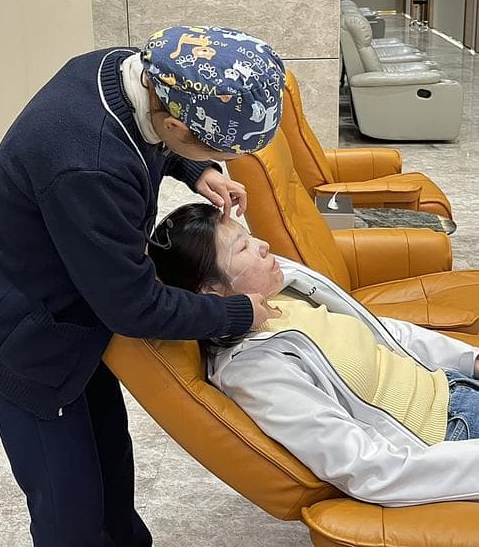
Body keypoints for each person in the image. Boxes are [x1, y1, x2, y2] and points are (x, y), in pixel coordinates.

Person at [0, 26, 286, 547]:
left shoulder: (132, 69)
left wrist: (196, 166)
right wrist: (239, 312)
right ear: (175, 123)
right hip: (25, 339)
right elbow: (134, 307)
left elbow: (151, 135)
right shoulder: (90, 163)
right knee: (70, 510)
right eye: (214, 146)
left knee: (111, 470)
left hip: (77, 313)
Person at [148, 202, 479, 508]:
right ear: (212, 291)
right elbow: (366, 467)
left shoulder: (281, 292)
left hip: (453, 386)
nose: (263, 245)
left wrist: (470, 360)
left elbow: (387, 337)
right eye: (243, 247)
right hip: (450, 439)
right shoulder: (256, 369)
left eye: (249, 236)